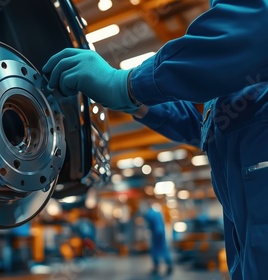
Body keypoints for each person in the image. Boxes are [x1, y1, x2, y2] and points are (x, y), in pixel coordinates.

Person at [42, 1, 268, 279]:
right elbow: (204, 128)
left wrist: (126, 84)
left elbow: (256, 29)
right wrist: (135, 102)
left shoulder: (254, 26)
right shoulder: (241, 93)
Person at [142, 202, 173, 275]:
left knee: (155, 249)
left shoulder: (148, 214)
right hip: (161, 232)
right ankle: (169, 264)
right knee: (163, 248)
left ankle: (156, 266)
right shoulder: (158, 213)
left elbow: (148, 225)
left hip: (156, 233)